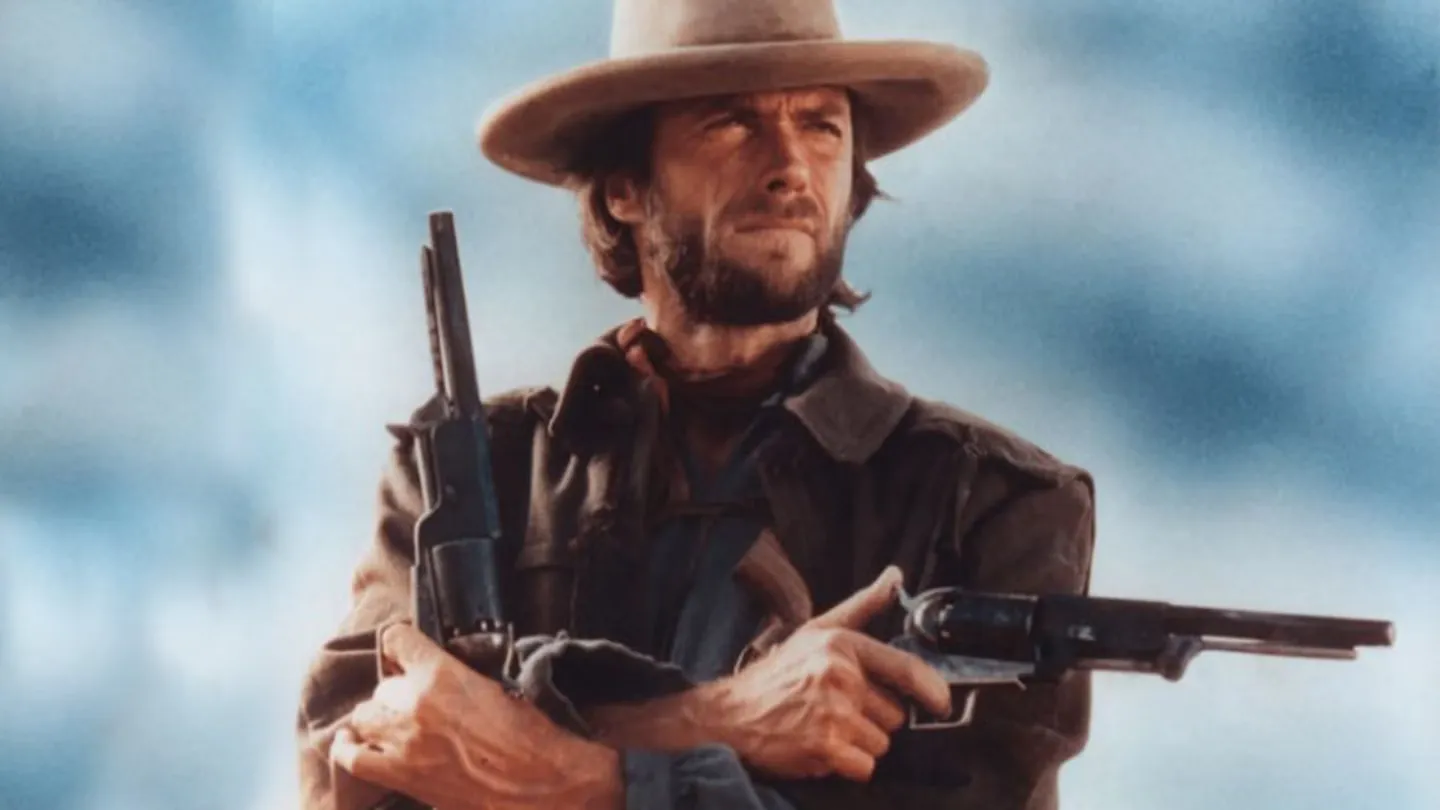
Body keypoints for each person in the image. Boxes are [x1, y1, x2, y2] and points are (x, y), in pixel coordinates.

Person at [296, 1, 1097, 808]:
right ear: (624, 189)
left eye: (821, 126)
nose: (790, 167)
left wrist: (569, 776)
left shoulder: (990, 501)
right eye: (731, 122)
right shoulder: (474, 473)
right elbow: (353, 763)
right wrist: (725, 720)